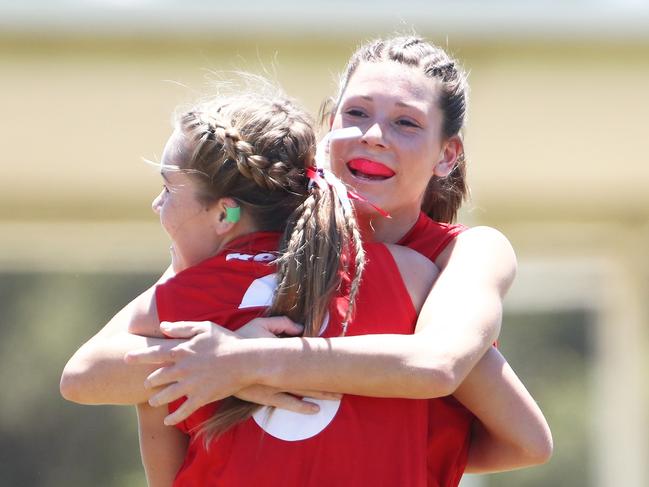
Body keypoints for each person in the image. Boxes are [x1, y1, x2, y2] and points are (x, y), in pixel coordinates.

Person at [61, 36, 552, 486]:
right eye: (356, 113)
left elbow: (438, 364)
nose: (374, 134)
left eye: (405, 121)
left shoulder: (460, 254)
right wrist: (225, 361)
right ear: (328, 127)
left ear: (448, 155)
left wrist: (245, 361)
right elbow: (95, 369)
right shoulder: (257, 229)